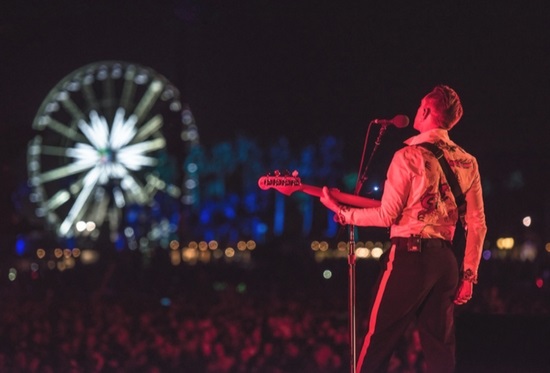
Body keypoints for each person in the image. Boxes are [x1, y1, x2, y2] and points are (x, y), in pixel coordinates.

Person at [320, 85, 487, 373]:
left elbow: (387, 215)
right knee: (440, 349)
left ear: (425, 111)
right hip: (446, 262)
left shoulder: (407, 156)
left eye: (420, 106)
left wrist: (343, 213)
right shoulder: (467, 162)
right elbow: (477, 223)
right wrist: (469, 274)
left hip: (411, 257)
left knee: (378, 340)